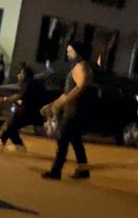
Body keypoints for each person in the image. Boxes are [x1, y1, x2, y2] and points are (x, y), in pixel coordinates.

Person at [40, 42, 96, 180]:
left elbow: (80, 86)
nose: (68, 53)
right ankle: (83, 170)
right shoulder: (78, 67)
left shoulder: (80, 67)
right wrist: (53, 104)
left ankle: (56, 171)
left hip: (73, 111)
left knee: (62, 140)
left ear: (77, 52)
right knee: (75, 140)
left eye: (70, 50)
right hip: (73, 109)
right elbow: (67, 92)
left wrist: (64, 102)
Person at [0, 66, 47, 151]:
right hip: (35, 112)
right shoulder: (33, 83)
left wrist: (3, 99)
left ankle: (7, 142)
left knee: (11, 124)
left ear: (24, 75)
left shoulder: (28, 84)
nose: (18, 75)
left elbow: (18, 96)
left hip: (30, 112)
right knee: (12, 124)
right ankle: (10, 142)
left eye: (20, 74)